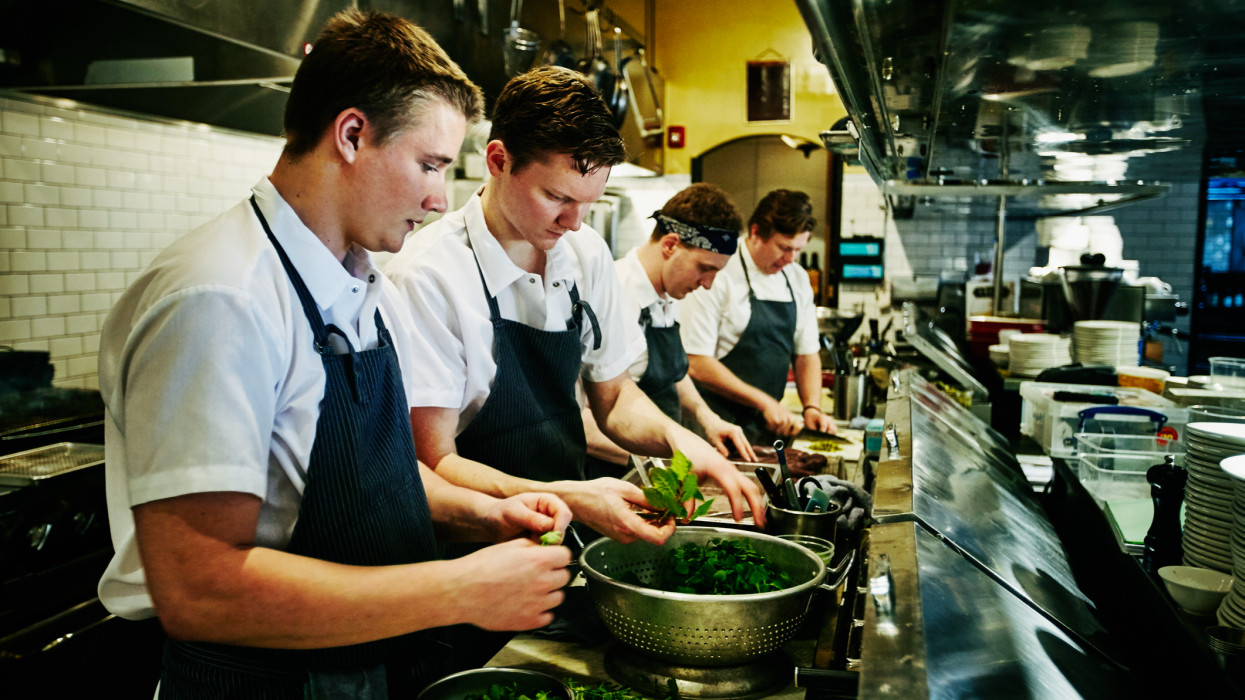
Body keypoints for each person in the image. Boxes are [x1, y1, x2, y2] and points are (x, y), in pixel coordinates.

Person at [96, 11, 574, 698]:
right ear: (351, 134)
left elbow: (374, 480)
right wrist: (457, 589)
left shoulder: (355, 278)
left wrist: (490, 515)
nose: (441, 199)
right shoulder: (220, 297)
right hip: (265, 682)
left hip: (360, 667)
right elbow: (198, 587)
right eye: (431, 165)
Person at [386, 66, 764, 553]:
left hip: (568, 526)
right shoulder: (429, 275)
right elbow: (434, 462)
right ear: (498, 161)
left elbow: (614, 397)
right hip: (475, 546)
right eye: (557, 196)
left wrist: (680, 442)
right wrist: (566, 497)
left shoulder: (585, 252)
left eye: (589, 202)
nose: (573, 221)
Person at [581, 183, 759, 477]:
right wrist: (667, 459)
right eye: (704, 268)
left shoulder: (667, 293)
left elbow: (674, 375)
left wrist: (707, 418)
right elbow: (583, 418)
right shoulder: (613, 296)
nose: (708, 284)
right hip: (614, 474)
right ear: (670, 246)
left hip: (661, 465)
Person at [681, 188, 838, 444]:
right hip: (714, 422)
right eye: (784, 247)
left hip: (768, 424)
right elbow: (696, 361)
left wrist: (812, 407)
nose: (790, 258)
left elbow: (806, 353)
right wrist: (764, 401)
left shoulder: (796, 277)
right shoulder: (718, 272)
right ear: (755, 233)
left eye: (798, 249)